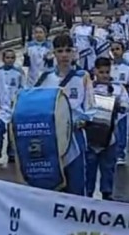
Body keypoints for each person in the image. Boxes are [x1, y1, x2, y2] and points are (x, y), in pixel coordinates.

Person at [34, 33, 95, 196]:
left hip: (75, 136)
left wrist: (83, 121)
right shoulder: (45, 78)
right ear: (53, 53)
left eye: (68, 50)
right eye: (60, 51)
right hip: (52, 137)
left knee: (76, 183)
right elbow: (35, 104)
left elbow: (90, 107)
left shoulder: (82, 77)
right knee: (53, 185)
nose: (64, 55)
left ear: (74, 52)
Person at [85, 57, 129, 199]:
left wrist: (120, 106)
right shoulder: (87, 87)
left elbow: (127, 105)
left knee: (108, 166)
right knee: (89, 167)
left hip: (110, 134)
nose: (104, 75)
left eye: (107, 72)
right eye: (101, 72)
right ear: (95, 71)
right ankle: (88, 194)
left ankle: (107, 193)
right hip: (90, 134)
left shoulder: (118, 88)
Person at [0, 48, 25, 163]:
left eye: (12, 58)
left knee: (12, 131)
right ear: (3, 59)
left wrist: (18, 100)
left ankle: (11, 153)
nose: (10, 60)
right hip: (2, 106)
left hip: (14, 106)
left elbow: (22, 87)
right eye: (7, 57)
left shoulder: (18, 72)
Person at [109, 41, 129, 165]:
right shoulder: (107, 66)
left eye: (117, 49)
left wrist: (121, 93)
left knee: (122, 128)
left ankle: (121, 153)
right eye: (113, 49)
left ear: (123, 50)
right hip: (108, 102)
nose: (115, 52)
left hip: (122, 101)